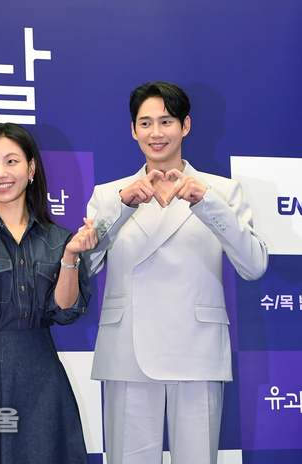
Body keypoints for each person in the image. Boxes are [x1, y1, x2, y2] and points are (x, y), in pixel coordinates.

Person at [85, 81, 268, 464]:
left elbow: (253, 265)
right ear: (133, 130)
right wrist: (121, 207)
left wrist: (208, 203)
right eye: (145, 123)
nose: (156, 133)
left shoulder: (221, 191)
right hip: (128, 351)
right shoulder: (110, 194)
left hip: (197, 349)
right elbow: (84, 265)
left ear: (185, 125)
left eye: (166, 121)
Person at [0, 123, 95, 463]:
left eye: (11, 161)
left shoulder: (60, 240)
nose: (0, 173)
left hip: (42, 375)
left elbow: (64, 312)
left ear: (31, 168)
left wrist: (70, 258)